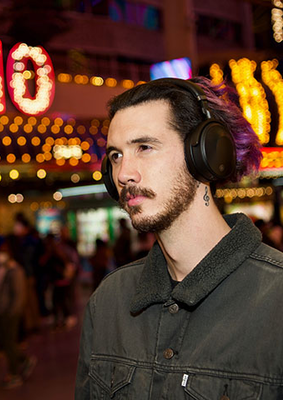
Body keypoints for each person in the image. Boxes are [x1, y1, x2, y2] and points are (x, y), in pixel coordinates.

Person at [75, 77, 283, 398]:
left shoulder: (276, 299)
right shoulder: (108, 301)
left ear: (205, 154)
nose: (123, 174)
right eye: (116, 156)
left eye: (144, 147)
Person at [0, 235, 37, 389]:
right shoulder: (2, 269)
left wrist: (12, 312)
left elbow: (19, 295)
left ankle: (14, 373)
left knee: (10, 342)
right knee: (6, 342)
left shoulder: (15, 270)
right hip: (1, 312)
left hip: (10, 313)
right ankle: (23, 361)